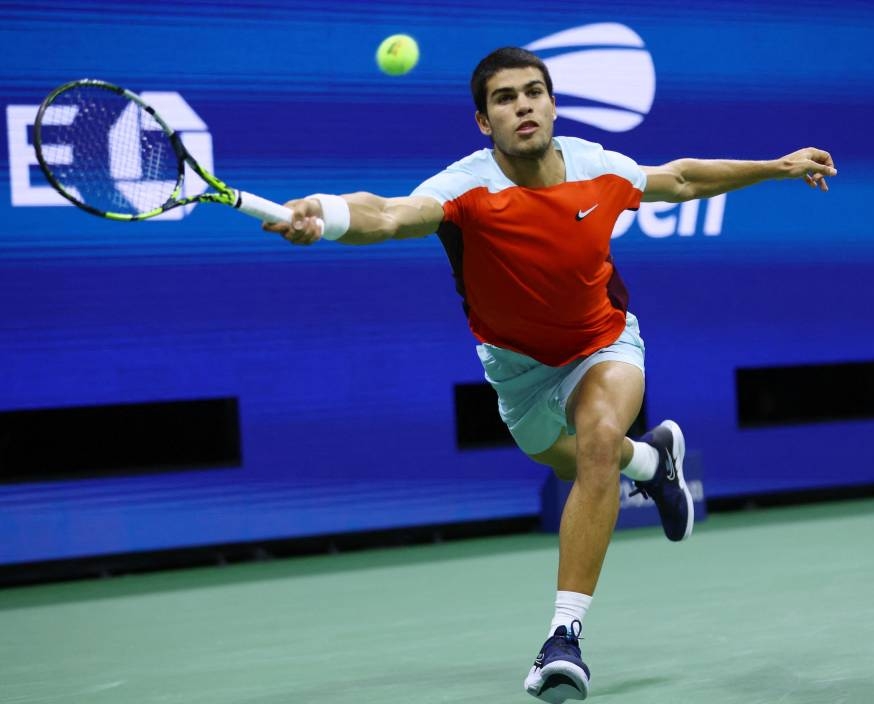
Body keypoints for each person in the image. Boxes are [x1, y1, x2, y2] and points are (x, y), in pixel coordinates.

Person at [264, 46, 836, 703]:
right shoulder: (465, 188)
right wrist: (324, 212)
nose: (524, 106)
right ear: (484, 122)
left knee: (594, 447)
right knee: (563, 460)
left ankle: (564, 639)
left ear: (553, 104)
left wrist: (776, 166)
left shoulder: (598, 167)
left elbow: (678, 179)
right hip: (515, 369)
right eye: (505, 99)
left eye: (534, 92)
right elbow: (389, 214)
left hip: (603, 342)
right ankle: (652, 465)